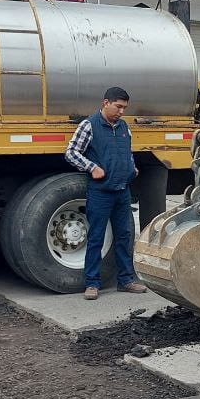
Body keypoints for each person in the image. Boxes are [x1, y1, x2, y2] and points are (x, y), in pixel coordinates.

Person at [64, 87, 149, 300]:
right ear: (105, 103)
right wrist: (92, 167)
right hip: (100, 192)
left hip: (122, 191)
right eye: (118, 106)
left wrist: (132, 167)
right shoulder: (89, 126)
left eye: (124, 108)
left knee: (124, 236)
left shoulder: (123, 127)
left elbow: (127, 151)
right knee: (96, 238)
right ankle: (92, 284)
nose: (121, 111)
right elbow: (71, 152)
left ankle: (126, 280)